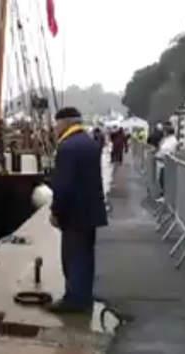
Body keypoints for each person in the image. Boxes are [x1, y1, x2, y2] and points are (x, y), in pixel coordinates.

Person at [48, 107, 108, 313]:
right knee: (85, 256)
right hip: (90, 211)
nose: (55, 128)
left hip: (74, 213)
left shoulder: (67, 147)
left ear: (65, 123)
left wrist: (56, 211)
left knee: (72, 257)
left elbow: (64, 185)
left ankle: (74, 300)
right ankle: (83, 295)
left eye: (57, 123)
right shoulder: (89, 143)